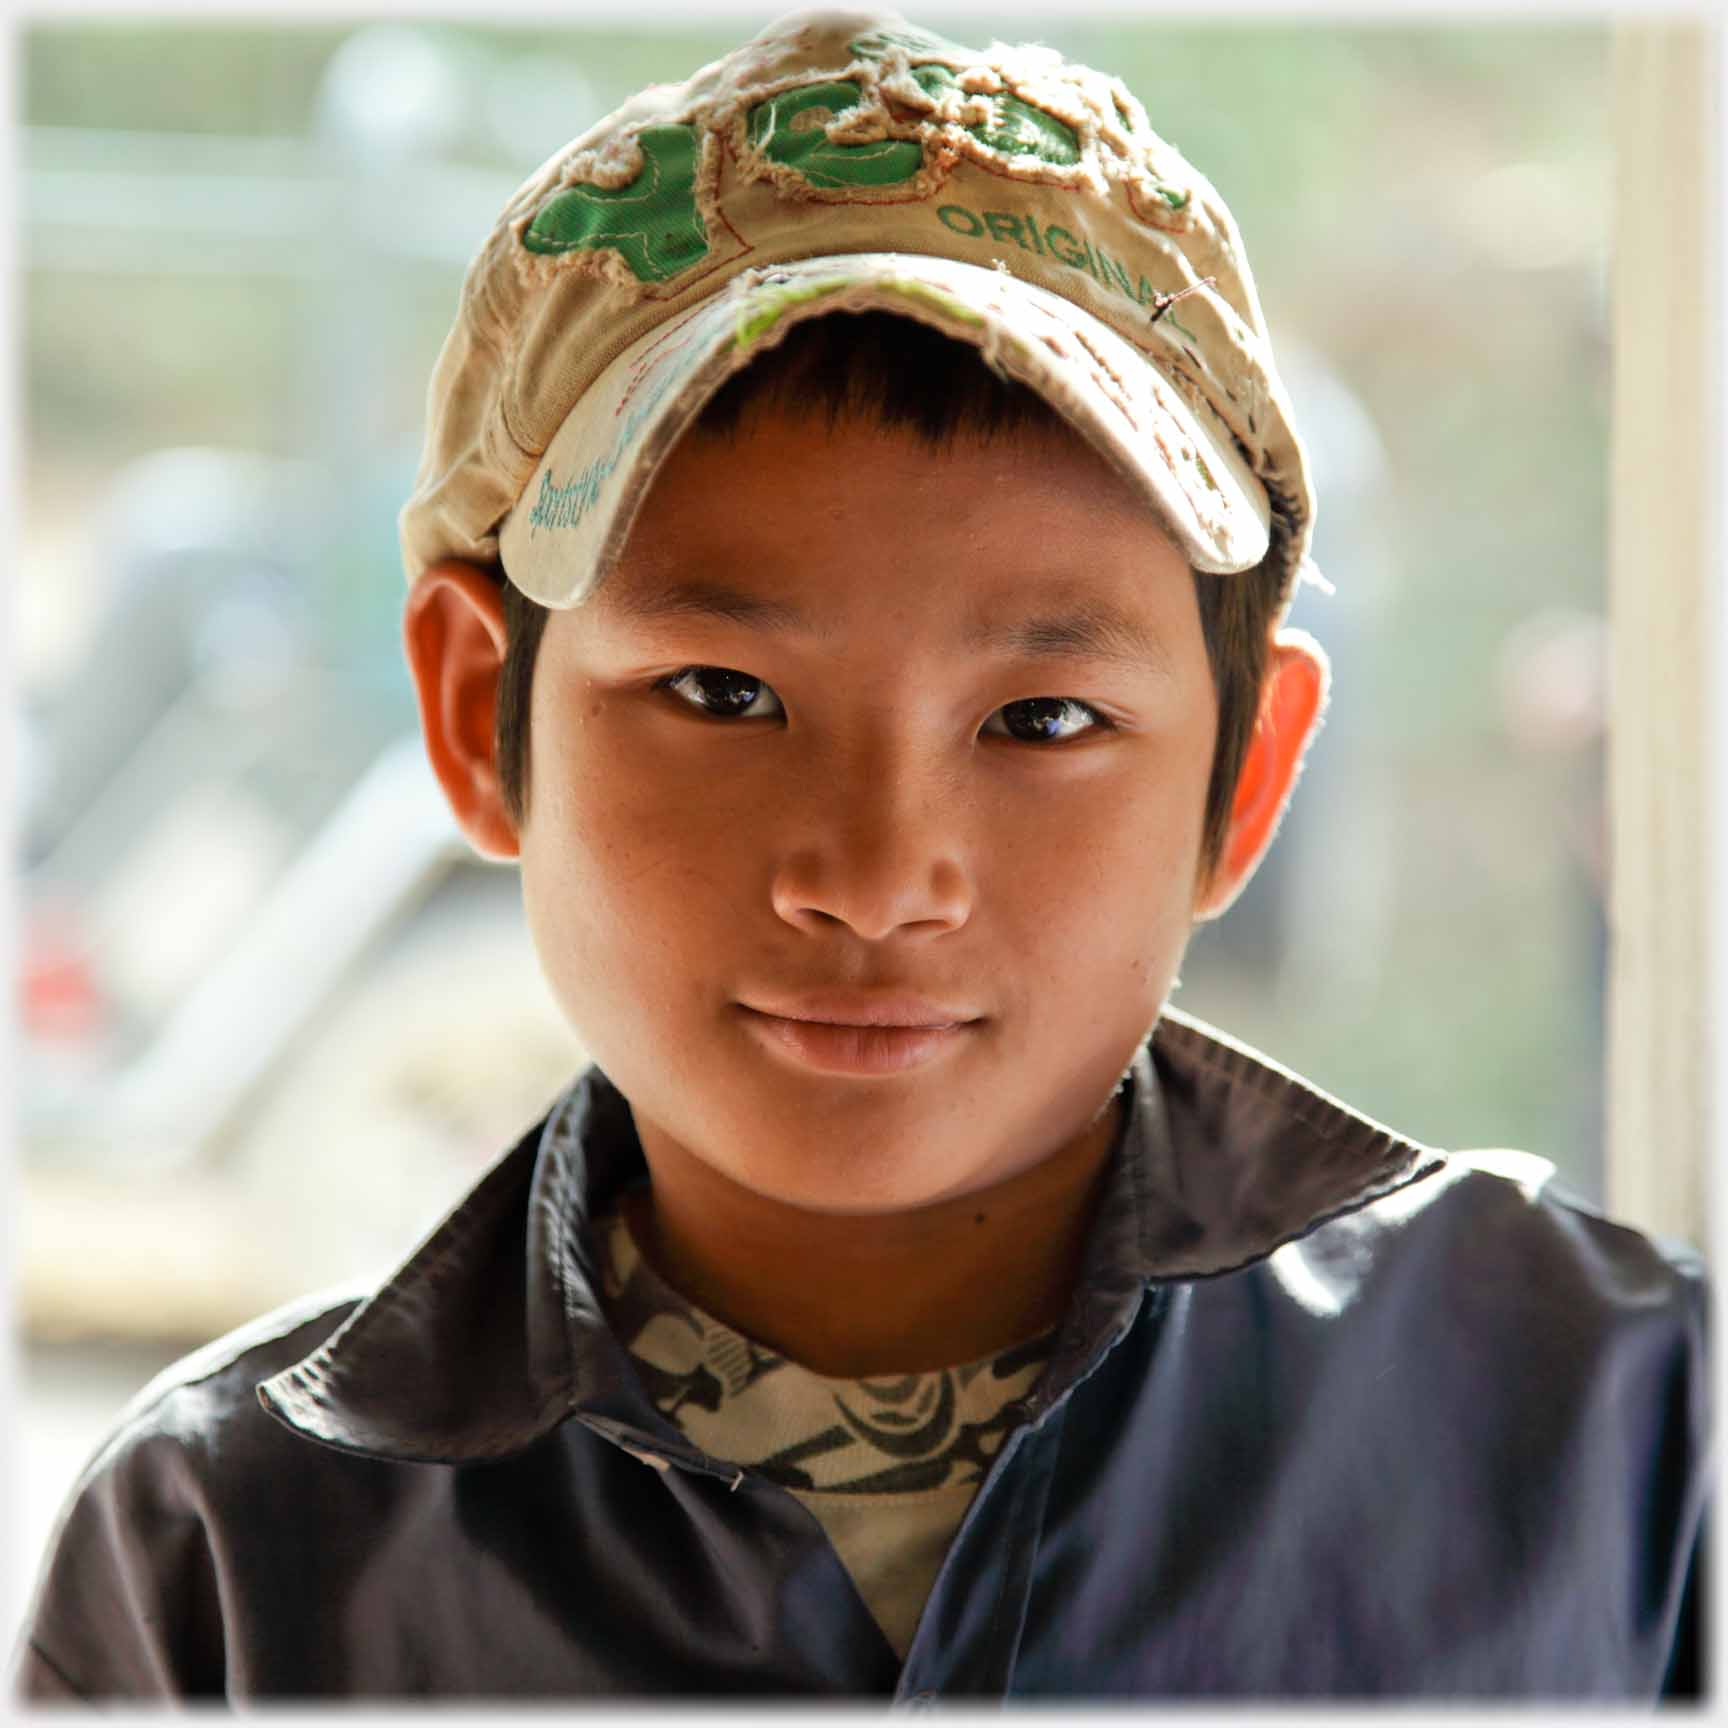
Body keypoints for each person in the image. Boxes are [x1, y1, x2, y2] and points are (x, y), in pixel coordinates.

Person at [14, 8, 1707, 1701]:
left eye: (1042, 721)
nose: (881, 874)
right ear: (479, 716)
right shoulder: (225, 1559)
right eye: (724, 692)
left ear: (1245, 775)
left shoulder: (1629, 1440)